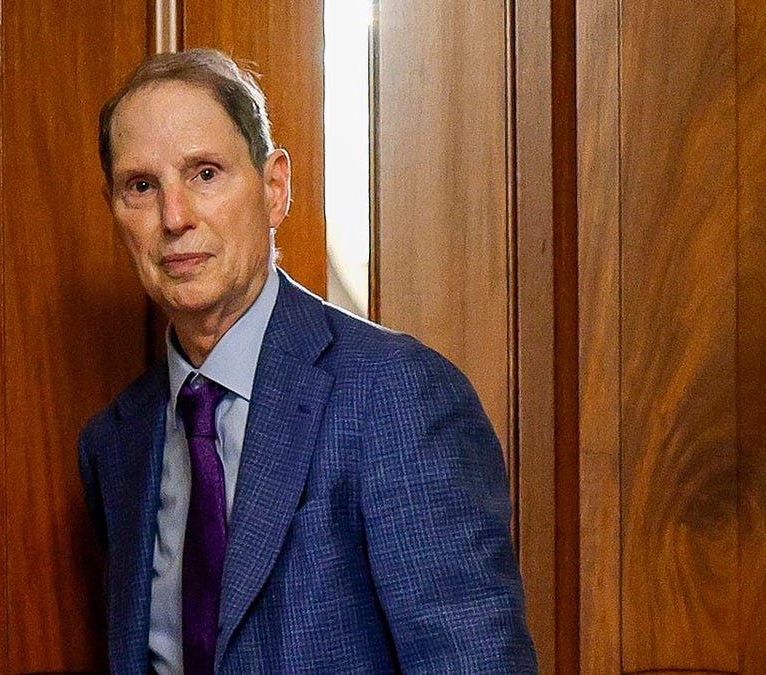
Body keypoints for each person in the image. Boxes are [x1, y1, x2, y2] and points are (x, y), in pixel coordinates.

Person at [78, 48, 536, 674]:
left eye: (205, 173)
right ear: (115, 211)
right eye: (141, 186)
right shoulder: (116, 442)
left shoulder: (398, 396)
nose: (174, 217)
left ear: (274, 189)